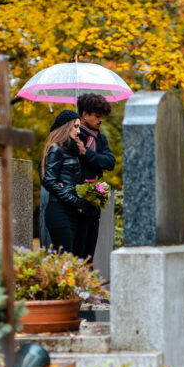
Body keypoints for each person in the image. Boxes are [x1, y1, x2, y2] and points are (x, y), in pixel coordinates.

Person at [41, 110, 96, 254]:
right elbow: (49, 180)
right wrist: (75, 201)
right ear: (66, 126)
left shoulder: (72, 151)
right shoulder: (55, 148)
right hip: (59, 211)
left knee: (76, 260)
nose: (78, 131)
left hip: (73, 212)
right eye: (76, 126)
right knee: (65, 260)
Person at [73, 93, 116, 263]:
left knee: (89, 252)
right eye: (97, 116)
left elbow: (110, 162)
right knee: (76, 251)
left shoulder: (101, 139)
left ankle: (85, 287)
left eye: (102, 116)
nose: (101, 120)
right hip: (74, 201)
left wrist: (86, 153)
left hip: (94, 203)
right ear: (84, 114)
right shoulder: (73, 136)